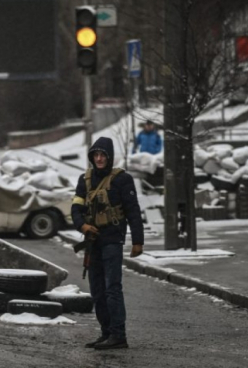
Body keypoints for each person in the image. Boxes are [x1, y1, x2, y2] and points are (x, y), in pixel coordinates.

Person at [72, 136, 144, 350]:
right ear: (92, 157)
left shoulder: (122, 179)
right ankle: (106, 333)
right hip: (92, 241)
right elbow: (76, 208)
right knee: (97, 291)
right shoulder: (84, 180)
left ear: (110, 156)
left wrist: (137, 241)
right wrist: (82, 226)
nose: (100, 158)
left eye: (103, 155)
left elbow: (133, 211)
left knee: (112, 288)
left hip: (112, 239)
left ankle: (118, 335)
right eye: (96, 155)